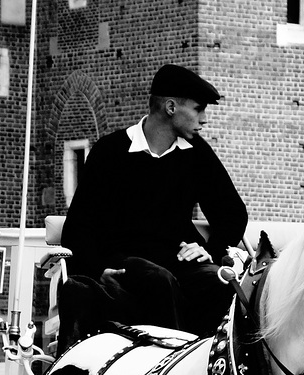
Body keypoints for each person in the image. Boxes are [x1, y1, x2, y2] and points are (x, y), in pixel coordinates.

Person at [58, 63, 248, 350]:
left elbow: (232, 214)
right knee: (158, 280)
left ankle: (217, 371)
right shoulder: (111, 152)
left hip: (178, 261)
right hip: (126, 262)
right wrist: (98, 268)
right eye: (198, 109)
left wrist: (209, 250)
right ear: (171, 107)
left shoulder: (196, 155)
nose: (204, 119)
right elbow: (80, 225)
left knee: (218, 282)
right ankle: (169, 370)